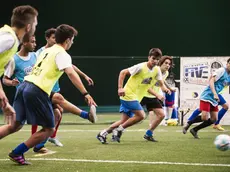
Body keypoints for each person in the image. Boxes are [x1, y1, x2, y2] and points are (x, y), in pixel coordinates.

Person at [5, 24, 97, 165]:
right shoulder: (62, 53)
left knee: (15, 124)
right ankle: (17, 152)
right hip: (36, 90)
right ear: (68, 40)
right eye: (72, 40)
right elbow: (71, 73)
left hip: (24, 86)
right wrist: (86, 93)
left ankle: (86, 116)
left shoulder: (47, 51)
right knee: (49, 129)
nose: (72, 42)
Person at [32, 28, 96, 151]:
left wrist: (84, 75)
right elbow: (70, 73)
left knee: (57, 112)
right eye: (53, 37)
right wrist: (85, 93)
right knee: (17, 123)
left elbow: (70, 66)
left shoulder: (55, 52)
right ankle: (33, 143)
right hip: (37, 87)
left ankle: (40, 143)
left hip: (47, 88)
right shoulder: (46, 52)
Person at [97, 48, 169, 144]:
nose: (155, 61)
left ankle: (102, 133)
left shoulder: (157, 70)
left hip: (136, 97)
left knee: (123, 120)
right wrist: (120, 88)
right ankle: (119, 130)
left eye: (157, 59)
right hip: (128, 95)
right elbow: (123, 72)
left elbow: (161, 83)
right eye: (153, 58)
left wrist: (165, 89)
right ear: (149, 57)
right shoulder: (140, 67)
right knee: (141, 115)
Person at [0, 5, 38, 142]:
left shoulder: (10, 38)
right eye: (35, 24)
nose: (35, 28)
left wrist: (2, 96)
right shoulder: (9, 39)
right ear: (28, 27)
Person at [182, 58, 230, 139]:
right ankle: (189, 123)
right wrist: (215, 93)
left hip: (215, 98)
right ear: (227, 64)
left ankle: (194, 130)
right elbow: (211, 80)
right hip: (207, 95)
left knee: (214, 119)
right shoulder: (222, 70)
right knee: (204, 118)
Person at [141, 56, 175, 142]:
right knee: (130, 116)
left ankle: (148, 134)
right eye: (166, 63)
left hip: (152, 96)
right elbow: (145, 86)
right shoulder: (154, 70)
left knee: (161, 115)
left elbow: (162, 81)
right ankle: (117, 130)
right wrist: (157, 94)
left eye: (169, 64)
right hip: (142, 94)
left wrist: (169, 88)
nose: (168, 65)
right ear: (160, 63)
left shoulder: (166, 73)